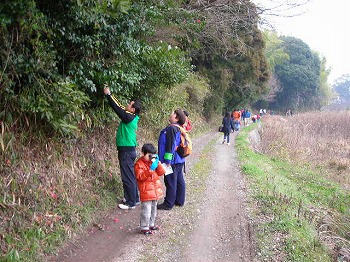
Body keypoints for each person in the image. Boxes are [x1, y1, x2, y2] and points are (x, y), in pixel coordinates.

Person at [103, 85, 141, 210]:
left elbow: (117, 107)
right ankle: (134, 198)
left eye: (130, 105)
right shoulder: (131, 117)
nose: (127, 105)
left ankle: (130, 203)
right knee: (130, 175)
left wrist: (108, 94)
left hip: (126, 151)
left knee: (127, 176)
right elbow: (120, 107)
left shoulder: (129, 117)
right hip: (128, 150)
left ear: (133, 109)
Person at [157, 109, 187, 210]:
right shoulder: (178, 127)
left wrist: (168, 161)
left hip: (172, 161)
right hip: (179, 159)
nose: (171, 114)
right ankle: (179, 200)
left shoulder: (171, 129)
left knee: (170, 181)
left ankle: (168, 203)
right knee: (179, 180)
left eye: (173, 113)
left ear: (176, 118)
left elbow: (170, 145)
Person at [134, 143, 165, 235]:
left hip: (155, 191)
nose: (151, 157)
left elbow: (161, 172)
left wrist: (158, 164)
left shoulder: (153, 162)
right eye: (149, 155)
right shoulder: (139, 164)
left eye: (152, 155)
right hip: (146, 191)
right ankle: (144, 226)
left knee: (153, 210)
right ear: (143, 153)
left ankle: (151, 224)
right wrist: (150, 170)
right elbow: (140, 176)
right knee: (146, 210)